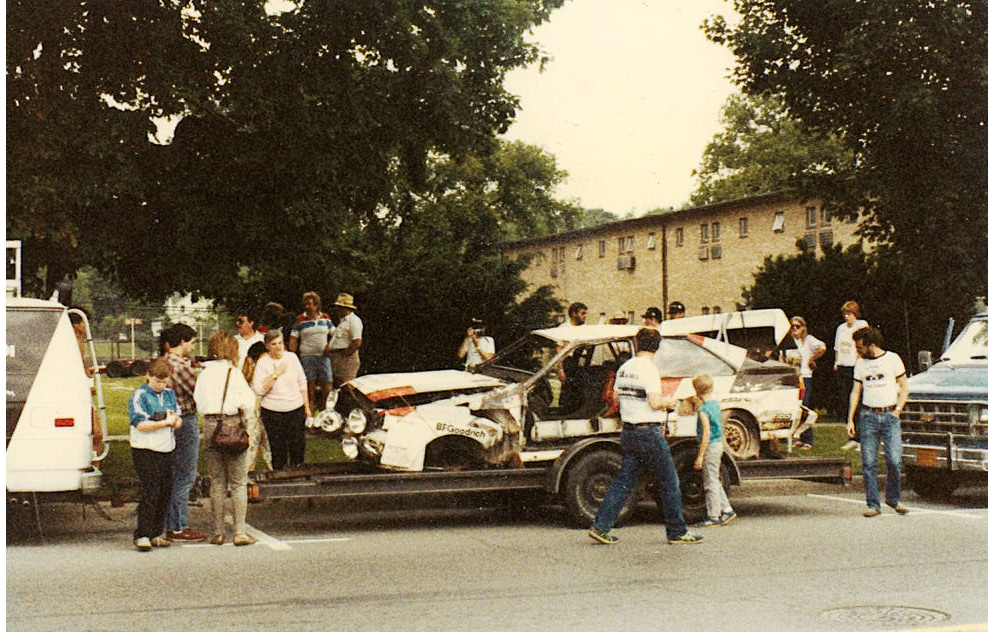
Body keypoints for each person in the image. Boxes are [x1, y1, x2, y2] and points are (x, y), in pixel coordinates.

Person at [588, 327, 703, 545]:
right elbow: (654, 402)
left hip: (629, 431)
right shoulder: (649, 369)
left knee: (624, 481)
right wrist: (670, 403)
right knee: (669, 480)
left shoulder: (624, 368)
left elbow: (615, 399)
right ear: (657, 347)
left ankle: (601, 526)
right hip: (648, 431)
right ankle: (677, 532)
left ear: (638, 344)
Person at [194, 331, 258, 546]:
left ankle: (218, 531)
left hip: (211, 425)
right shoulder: (234, 373)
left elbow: (199, 403)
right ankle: (240, 532)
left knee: (217, 482)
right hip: (232, 424)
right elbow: (248, 402)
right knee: (238, 482)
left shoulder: (203, 374)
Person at [847, 326, 909, 518]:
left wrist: (898, 410)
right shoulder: (860, 365)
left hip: (890, 415)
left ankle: (893, 498)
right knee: (869, 462)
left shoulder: (892, 359)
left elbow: (904, 386)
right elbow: (856, 391)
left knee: (894, 460)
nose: (858, 351)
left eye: (860, 347)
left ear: (871, 345)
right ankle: (873, 503)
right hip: (868, 416)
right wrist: (850, 418)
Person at [127, 357, 182, 551]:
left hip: (166, 448)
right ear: (148, 376)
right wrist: (164, 423)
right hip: (145, 449)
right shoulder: (140, 395)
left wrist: (174, 422)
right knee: (150, 491)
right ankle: (142, 533)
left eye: (164, 381)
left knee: (164, 491)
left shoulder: (170, 394)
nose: (160, 385)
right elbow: (140, 424)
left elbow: (178, 418)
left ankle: (156, 532)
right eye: (157, 381)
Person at [161, 324, 207, 543]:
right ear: (182, 342)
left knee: (172, 473)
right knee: (186, 474)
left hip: (166, 422)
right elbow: (198, 392)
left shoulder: (162, 362)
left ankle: (169, 523)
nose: (192, 346)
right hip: (186, 419)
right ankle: (179, 525)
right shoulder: (182, 366)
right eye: (191, 342)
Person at [253, 330, 312, 470]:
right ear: (267, 346)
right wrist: (276, 374)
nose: (278, 347)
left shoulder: (292, 358)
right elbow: (259, 389)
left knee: (297, 446)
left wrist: (307, 408)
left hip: (295, 408)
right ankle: (280, 481)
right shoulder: (263, 362)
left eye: (280, 343)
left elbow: (302, 383)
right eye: (274, 344)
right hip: (273, 411)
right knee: (278, 449)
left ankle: (298, 478)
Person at [690, 374, 736, 527]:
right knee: (714, 479)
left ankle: (713, 516)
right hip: (718, 445)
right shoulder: (715, 404)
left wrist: (700, 456)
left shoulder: (703, 410)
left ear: (697, 390)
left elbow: (706, 433)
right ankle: (727, 509)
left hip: (709, 446)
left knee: (710, 482)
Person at [289, 292, 335, 411]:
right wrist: (291, 357)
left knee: (327, 385)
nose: (307, 307)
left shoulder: (325, 318)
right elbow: (293, 338)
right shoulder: (300, 319)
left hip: (324, 357)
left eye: (310, 304)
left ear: (316, 305)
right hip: (307, 357)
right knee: (309, 386)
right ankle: (309, 412)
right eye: (305, 304)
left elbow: (335, 335)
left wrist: (329, 346)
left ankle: (327, 411)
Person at [835, 300, 868, 450]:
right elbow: (838, 346)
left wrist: (860, 360)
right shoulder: (841, 328)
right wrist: (836, 361)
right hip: (843, 366)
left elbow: (866, 345)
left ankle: (862, 438)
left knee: (859, 402)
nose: (847, 317)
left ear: (855, 314)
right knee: (846, 401)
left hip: (856, 367)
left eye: (849, 314)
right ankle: (852, 436)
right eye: (845, 314)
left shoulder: (861, 325)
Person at [789, 316, 827, 450]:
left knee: (804, 407)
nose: (794, 329)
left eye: (797, 326)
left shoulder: (809, 340)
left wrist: (811, 359)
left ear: (803, 328)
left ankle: (808, 439)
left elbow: (822, 348)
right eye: (792, 326)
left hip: (805, 376)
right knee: (795, 407)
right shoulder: (790, 341)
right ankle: (799, 436)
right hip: (793, 377)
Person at [242, 341, 273, 473]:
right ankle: (249, 474)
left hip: (266, 414)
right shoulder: (248, 377)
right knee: (251, 448)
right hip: (252, 416)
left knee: (269, 448)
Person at [326, 293, 363, 388]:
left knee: (346, 386)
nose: (336, 310)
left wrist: (344, 355)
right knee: (339, 386)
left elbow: (357, 341)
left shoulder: (354, 321)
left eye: (339, 307)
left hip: (347, 358)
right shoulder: (343, 322)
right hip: (338, 357)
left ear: (346, 308)